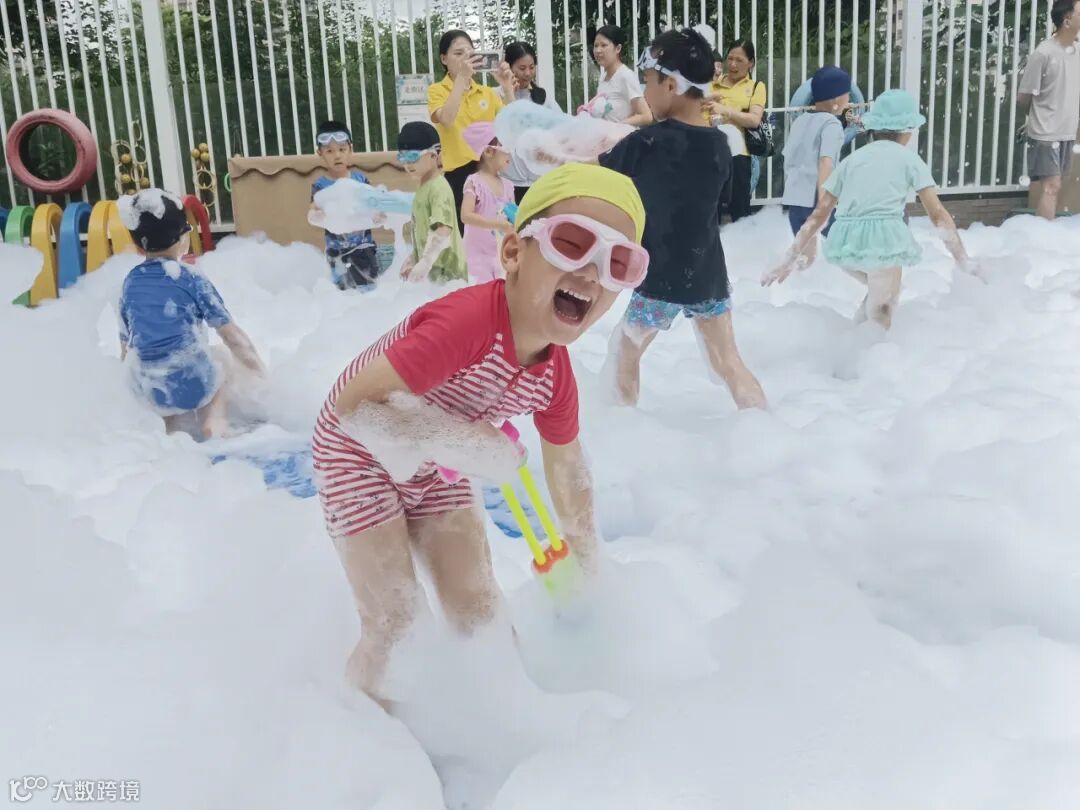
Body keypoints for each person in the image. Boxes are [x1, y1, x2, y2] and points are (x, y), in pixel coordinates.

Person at [311, 163, 649, 706]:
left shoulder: (555, 378)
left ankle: (509, 724)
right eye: (571, 243)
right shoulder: (467, 323)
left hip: (435, 463)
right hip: (357, 453)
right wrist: (472, 444)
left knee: (480, 611)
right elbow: (354, 408)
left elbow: (568, 471)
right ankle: (361, 733)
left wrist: (588, 570)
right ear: (513, 252)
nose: (591, 273)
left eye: (620, 263)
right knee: (397, 623)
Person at [600, 28, 766, 410]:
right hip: (708, 274)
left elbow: (596, 172)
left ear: (671, 85)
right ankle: (765, 422)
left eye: (648, 81)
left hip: (660, 276)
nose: (645, 91)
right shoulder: (720, 145)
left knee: (625, 351)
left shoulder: (648, 142)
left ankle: (622, 424)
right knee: (728, 363)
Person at [762, 89, 976, 330]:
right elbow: (938, 215)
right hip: (882, 244)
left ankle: (851, 343)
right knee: (882, 311)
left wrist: (790, 256)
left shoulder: (852, 160)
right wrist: (963, 261)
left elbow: (820, 214)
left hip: (846, 246)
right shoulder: (909, 160)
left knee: (883, 292)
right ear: (907, 130)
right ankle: (864, 347)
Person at [117, 189, 265, 439]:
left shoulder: (129, 282)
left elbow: (126, 349)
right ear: (183, 238)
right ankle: (215, 420)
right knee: (222, 355)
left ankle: (170, 428)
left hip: (149, 391)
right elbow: (232, 336)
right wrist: (260, 373)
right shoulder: (190, 278)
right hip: (193, 387)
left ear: (138, 246)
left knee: (151, 360)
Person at [428, 30, 516, 233]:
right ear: (444, 59)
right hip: (457, 177)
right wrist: (461, 79)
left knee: (494, 236)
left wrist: (507, 88)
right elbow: (447, 120)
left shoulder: (486, 93)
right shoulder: (437, 91)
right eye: (458, 53)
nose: (465, 59)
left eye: (470, 53)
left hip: (489, 172)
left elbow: (511, 125)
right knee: (464, 236)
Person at [781, 65, 851, 264]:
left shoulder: (801, 121)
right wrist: (824, 204)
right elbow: (825, 162)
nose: (849, 100)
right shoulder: (832, 124)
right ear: (836, 100)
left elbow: (789, 158)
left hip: (796, 199)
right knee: (846, 251)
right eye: (847, 95)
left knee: (805, 257)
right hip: (817, 196)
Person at [1018, 0, 1080, 221]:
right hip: (1045, 132)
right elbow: (1024, 97)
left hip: (1066, 131)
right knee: (1051, 186)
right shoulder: (1044, 53)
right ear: (1067, 19)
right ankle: (1042, 236)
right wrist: (1036, 120)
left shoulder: (1077, 51)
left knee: (1055, 185)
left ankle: (1044, 234)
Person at [309, 120, 383, 290]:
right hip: (336, 252)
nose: (337, 156)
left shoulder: (360, 180)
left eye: (342, 149)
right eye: (329, 151)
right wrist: (316, 215)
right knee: (342, 294)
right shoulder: (320, 186)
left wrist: (379, 215)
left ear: (350, 150)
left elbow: (374, 204)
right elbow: (313, 209)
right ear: (320, 153)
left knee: (369, 291)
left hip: (364, 248)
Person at [396, 121, 468, 284]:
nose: (407, 163)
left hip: (449, 274)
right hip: (435, 273)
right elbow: (423, 233)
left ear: (434, 155)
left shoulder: (438, 188)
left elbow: (442, 230)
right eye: (402, 157)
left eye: (413, 156)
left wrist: (425, 262)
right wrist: (414, 258)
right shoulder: (423, 188)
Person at [707, 39, 766, 222]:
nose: (732, 64)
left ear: (751, 62)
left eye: (739, 60)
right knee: (710, 209)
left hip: (739, 156)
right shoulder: (713, 84)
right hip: (712, 153)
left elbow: (754, 120)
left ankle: (743, 240)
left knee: (740, 210)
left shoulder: (756, 87)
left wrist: (726, 111)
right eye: (730, 58)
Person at [504, 40, 562, 204]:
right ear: (508, 67)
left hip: (539, 180)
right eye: (522, 68)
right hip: (509, 179)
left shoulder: (543, 99)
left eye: (531, 67)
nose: (528, 73)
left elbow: (561, 130)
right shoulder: (497, 97)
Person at [460, 122, 516, 283]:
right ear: (488, 151)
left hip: (500, 253)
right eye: (506, 148)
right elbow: (465, 215)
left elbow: (513, 217)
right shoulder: (474, 182)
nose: (510, 155)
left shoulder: (508, 186)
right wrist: (497, 224)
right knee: (482, 292)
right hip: (477, 256)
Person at [587, 25, 653, 127]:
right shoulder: (603, 77)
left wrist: (618, 127)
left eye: (604, 45)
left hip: (622, 136)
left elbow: (646, 116)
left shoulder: (625, 76)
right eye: (596, 46)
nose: (598, 50)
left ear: (618, 48)